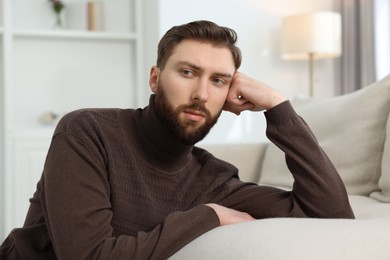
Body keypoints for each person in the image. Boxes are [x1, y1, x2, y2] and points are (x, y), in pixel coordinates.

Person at [0, 20, 354, 259]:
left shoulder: (213, 179)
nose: (201, 93)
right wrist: (209, 216)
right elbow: (88, 255)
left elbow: (333, 215)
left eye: (218, 81)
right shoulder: (88, 131)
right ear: (155, 79)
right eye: (188, 72)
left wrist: (277, 106)